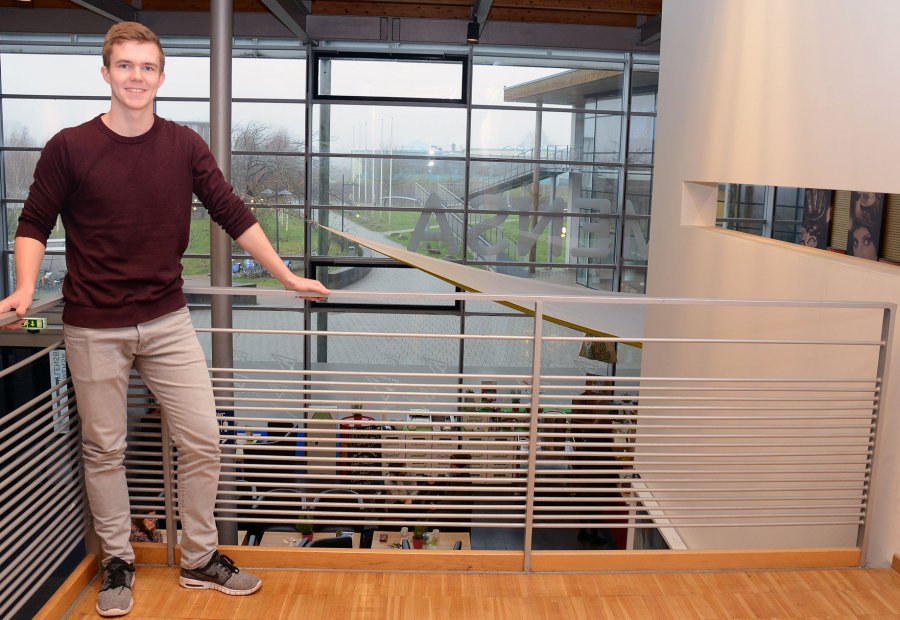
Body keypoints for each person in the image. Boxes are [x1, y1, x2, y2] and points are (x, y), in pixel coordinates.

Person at [0, 22, 329, 617]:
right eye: (125, 66)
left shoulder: (183, 145)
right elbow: (33, 223)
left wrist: (284, 275)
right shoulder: (68, 147)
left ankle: (200, 559)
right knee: (104, 449)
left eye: (147, 67)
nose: (136, 77)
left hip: (167, 319)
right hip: (93, 324)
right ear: (105, 73)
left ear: (161, 77)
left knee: (203, 437)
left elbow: (231, 211)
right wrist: (25, 287)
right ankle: (118, 561)